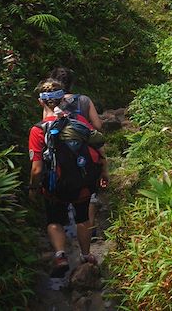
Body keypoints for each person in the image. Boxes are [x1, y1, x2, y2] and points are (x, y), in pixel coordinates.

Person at [28, 79, 105, 278]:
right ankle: (86, 255)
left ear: (41, 102)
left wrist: (33, 189)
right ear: (63, 99)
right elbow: (98, 146)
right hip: (82, 182)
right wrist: (104, 172)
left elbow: (36, 169)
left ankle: (60, 255)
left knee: (54, 220)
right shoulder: (79, 122)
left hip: (54, 185)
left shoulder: (38, 130)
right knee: (82, 218)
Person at [47, 67, 109, 240]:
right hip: (83, 148)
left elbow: (46, 127)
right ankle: (90, 230)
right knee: (87, 190)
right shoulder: (84, 100)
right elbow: (97, 126)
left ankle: (65, 233)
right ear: (72, 82)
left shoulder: (50, 102)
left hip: (60, 152)